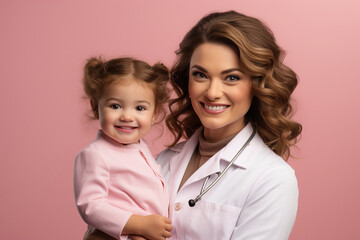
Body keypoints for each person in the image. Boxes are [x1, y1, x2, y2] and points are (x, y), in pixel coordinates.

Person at [85, 10, 302, 240]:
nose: (212, 92)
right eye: (200, 75)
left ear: (257, 84)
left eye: (232, 77)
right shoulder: (162, 161)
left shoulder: (272, 179)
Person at [74, 57, 173, 240]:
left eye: (140, 108)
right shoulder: (96, 155)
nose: (127, 116)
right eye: (115, 106)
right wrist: (139, 224)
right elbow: (91, 205)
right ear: (96, 107)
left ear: (155, 114)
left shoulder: (140, 148)